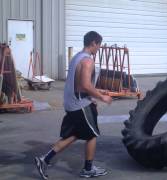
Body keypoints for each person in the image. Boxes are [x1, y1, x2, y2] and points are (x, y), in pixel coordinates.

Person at [34, 31, 112, 179]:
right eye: (99, 45)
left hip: (71, 103)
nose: (98, 48)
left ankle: (44, 159)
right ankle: (88, 170)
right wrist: (102, 97)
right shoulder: (88, 61)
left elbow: (79, 84)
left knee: (74, 134)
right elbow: (85, 85)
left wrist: (97, 91)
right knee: (92, 135)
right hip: (80, 105)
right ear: (94, 43)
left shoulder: (76, 57)